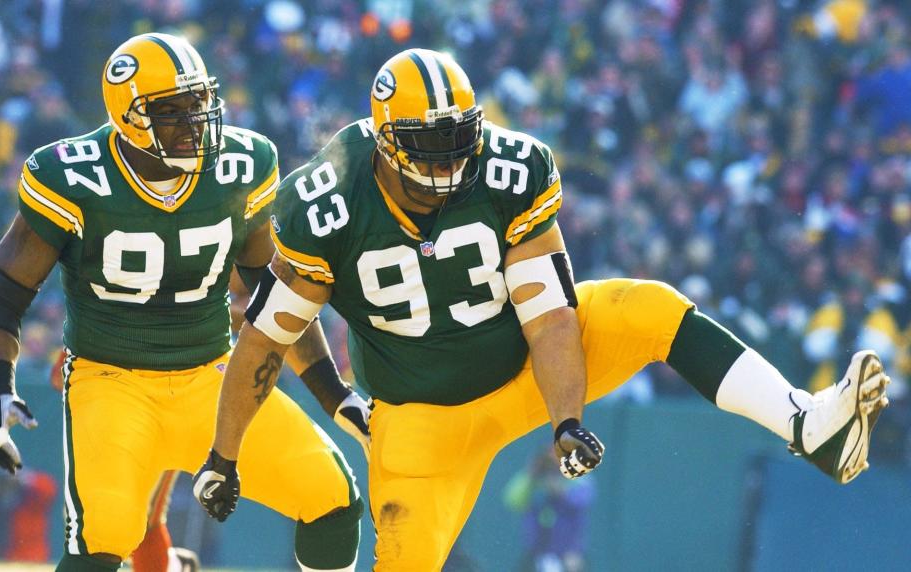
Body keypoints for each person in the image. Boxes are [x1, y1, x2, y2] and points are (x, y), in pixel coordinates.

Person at [192, 48, 891, 569]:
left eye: (459, 140)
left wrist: (566, 419)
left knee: (645, 308)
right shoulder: (329, 203)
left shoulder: (507, 170)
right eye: (429, 148)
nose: (450, 165)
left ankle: (806, 423)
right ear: (383, 141)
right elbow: (264, 339)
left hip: (526, 363)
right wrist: (226, 454)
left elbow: (552, 313)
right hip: (421, 427)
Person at [0, 33, 369, 572]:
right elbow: (0, 295)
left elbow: (278, 296)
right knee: (104, 539)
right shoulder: (73, 176)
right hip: (110, 384)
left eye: (199, 103)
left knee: (332, 496)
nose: (195, 121)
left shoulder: (241, 165)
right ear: (130, 116)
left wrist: (332, 391)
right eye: (173, 110)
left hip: (211, 378)